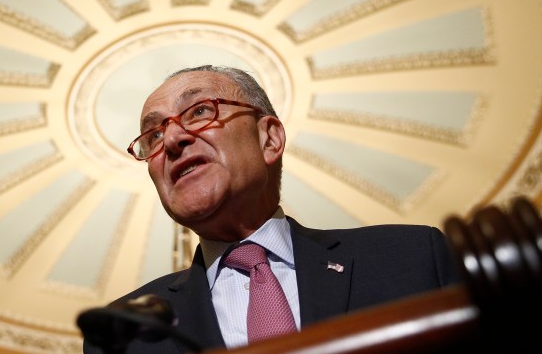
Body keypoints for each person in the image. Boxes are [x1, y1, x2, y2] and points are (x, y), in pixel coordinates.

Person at [82, 65, 461, 353]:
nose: (174, 138)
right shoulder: (125, 332)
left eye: (199, 111)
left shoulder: (412, 258)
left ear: (270, 138)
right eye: (154, 136)